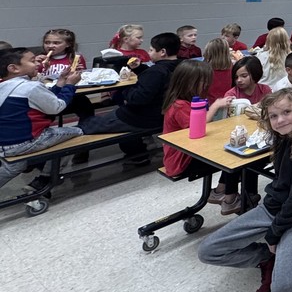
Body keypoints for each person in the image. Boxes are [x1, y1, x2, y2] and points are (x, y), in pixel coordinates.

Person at [198, 87, 292, 292]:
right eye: (273, 116)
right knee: (208, 250)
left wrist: (275, 233)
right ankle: (266, 258)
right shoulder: (284, 134)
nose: (280, 120)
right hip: (275, 207)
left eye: (286, 112)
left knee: (284, 290)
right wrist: (273, 236)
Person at [160, 61, 251, 215]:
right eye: (203, 82)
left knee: (233, 150)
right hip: (180, 161)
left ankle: (221, 190)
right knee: (234, 158)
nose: (206, 86)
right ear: (190, 82)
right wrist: (216, 105)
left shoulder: (187, 100)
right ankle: (230, 199)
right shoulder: (179, 105)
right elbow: (196, 128)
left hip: (189, 152)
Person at [78, 32, 181, 164]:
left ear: (162, 52)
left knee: (86, 124)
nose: (149, 53)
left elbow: (137, 99)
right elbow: (158, 79)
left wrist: (124, 86)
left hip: (139, 118)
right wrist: (140, 68)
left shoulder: (155, 72)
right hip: (163, 115)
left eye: (151, 50)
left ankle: (137, 155)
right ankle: (138, 153)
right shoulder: (182, 66)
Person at [0, 47, 83, 189]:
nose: (40, 62)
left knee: (14, 167)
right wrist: (70, 85)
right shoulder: (30, 87)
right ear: (14, 68)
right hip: (24, 142)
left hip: (5, 143)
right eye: (32, 61)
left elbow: (46, 99)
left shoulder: (4, 85)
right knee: (78, 133)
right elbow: (57, 106)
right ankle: (46, 179)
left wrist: (61, 80)